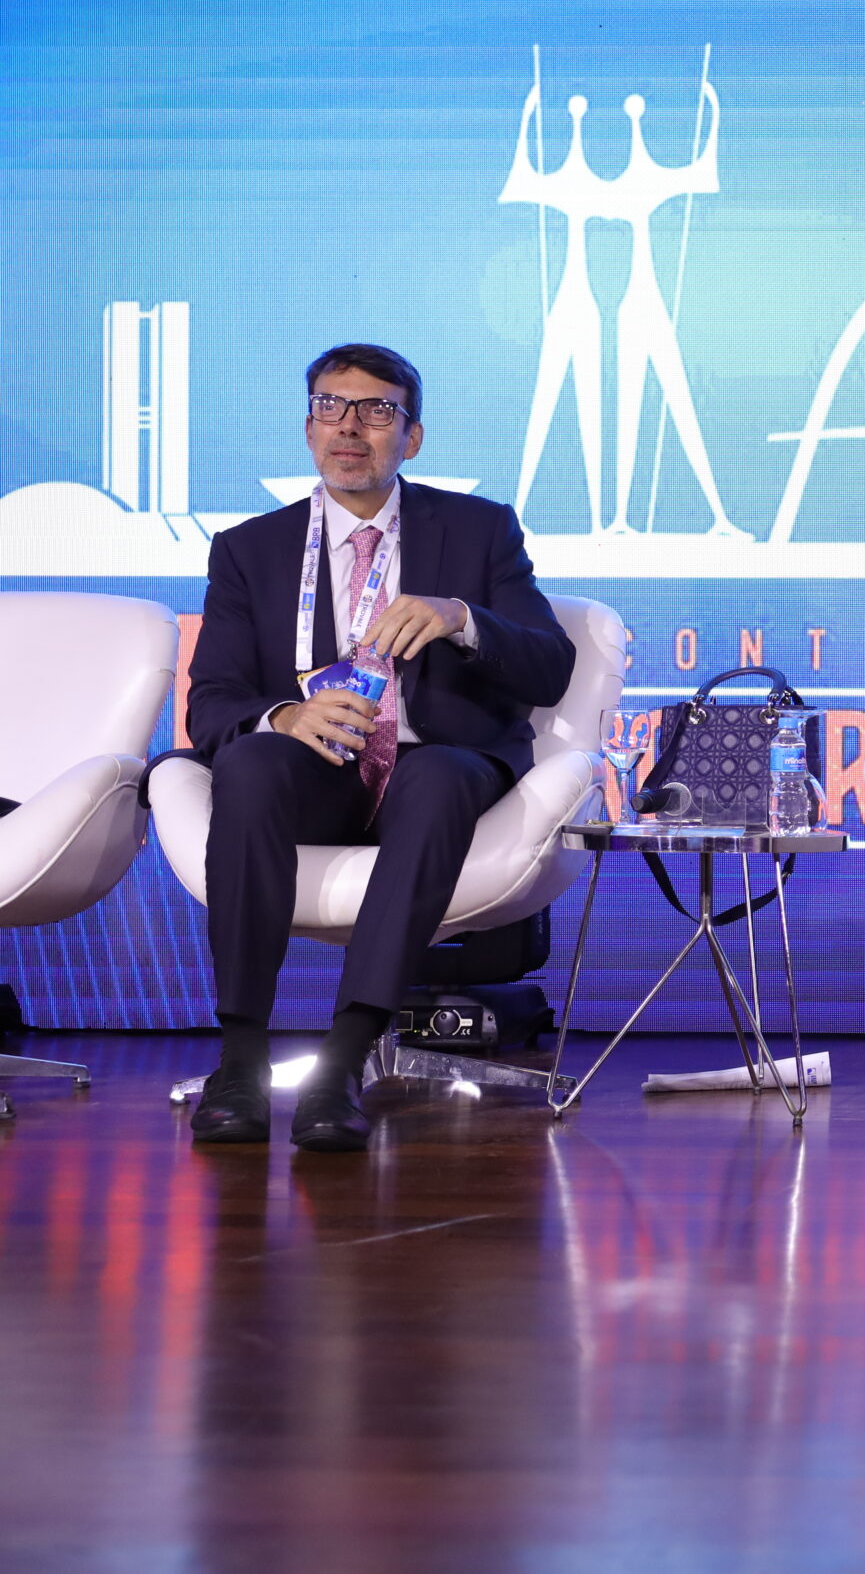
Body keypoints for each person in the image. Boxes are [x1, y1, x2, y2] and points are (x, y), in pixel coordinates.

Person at [184, 344, 576, 1152]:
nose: (350, 427)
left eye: (376, 410)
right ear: (308, 428)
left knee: (437, 778)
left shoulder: (479, 531)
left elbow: (549, 665)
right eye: (331, 406)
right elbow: (212, 701)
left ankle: (343, 1058)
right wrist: (285, 716)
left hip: (435, 762)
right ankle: (240, 1059)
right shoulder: (250, 550)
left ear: (413, 436)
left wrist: (463, 618)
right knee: (248, 763)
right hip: (319, 767)